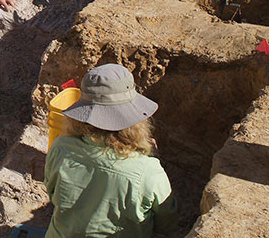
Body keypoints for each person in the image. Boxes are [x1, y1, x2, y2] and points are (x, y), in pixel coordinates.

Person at [45, 64, 178, 238]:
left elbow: (52, 194)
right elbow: (166, 224)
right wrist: (147, 158)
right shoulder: (148, 170)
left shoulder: (60, 147)